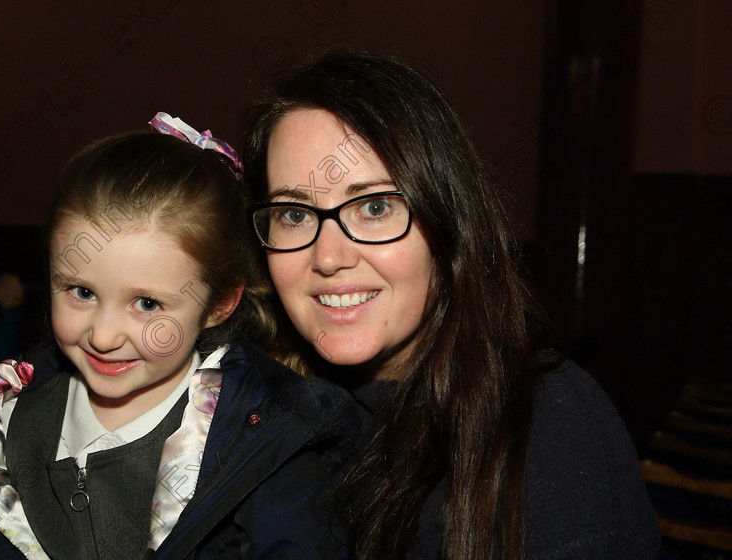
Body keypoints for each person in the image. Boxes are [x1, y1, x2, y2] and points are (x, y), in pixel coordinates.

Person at [242, 50, 660, 559]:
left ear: (449, 224)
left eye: (375, 207)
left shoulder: (546, 429)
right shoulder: (259, 408)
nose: (327, 256)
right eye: (294, 214)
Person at [0, 115, 359, 559]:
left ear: (219, 303)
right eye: (81, 292)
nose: (104, 336)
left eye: (147, 304)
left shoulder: (271, 458)